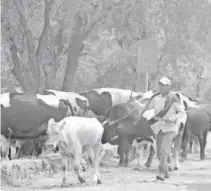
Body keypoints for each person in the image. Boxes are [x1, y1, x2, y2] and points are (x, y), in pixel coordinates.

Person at [145, 77, 186, 181]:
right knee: (159, 153)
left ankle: (162, 172)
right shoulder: (156, 98)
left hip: (170, 129)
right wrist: (135, 104)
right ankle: (166, 171)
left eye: (163, 85)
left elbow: (182, 113)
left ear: (169, 86)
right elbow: (145, 108)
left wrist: (173, 118)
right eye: (160, 85)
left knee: (164, 150)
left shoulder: (174, 98)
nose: (161, 87)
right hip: (159, 128)